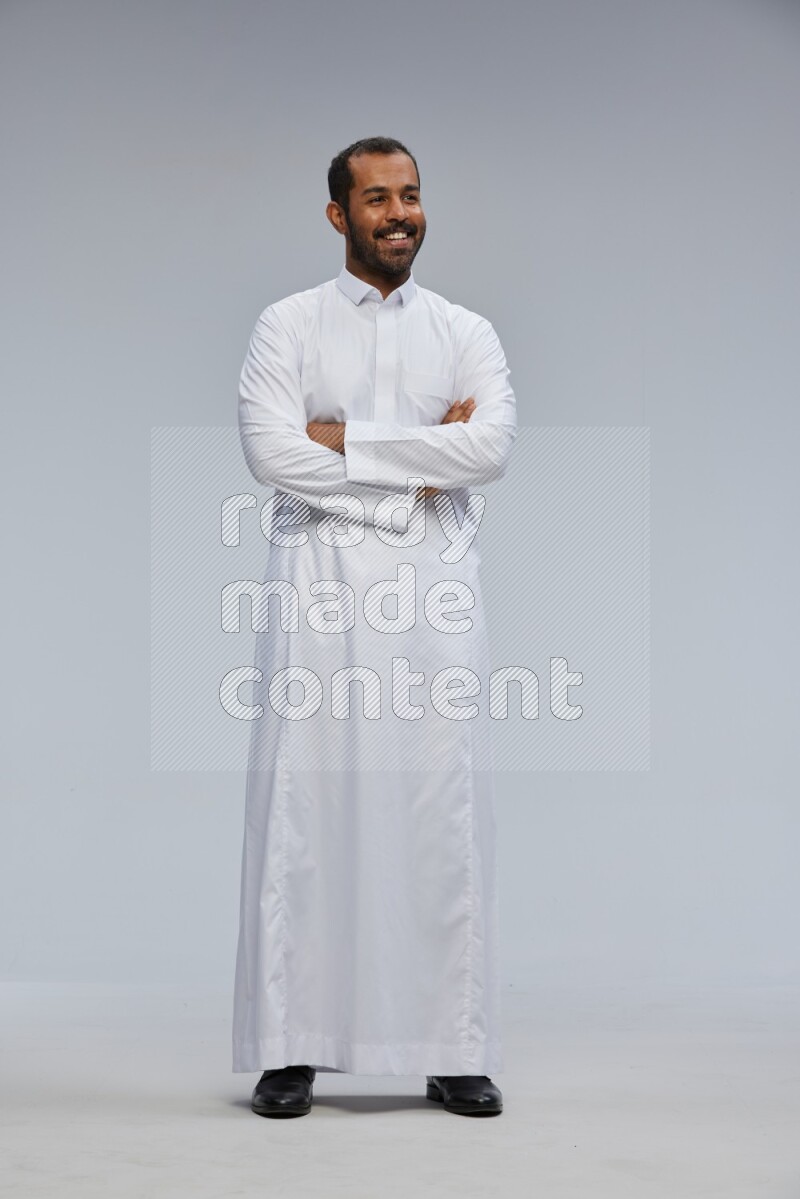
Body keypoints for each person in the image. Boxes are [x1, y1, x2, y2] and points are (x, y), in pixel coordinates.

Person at [233, 136, 517, 1118]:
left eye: (410, 195)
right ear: (337, 215)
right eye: (375, 198)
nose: (398, 213)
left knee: (438, 809)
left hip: (436, 600)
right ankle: (289, 1046)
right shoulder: (287, 326)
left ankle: (451, 1046)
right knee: (307, 814)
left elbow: (487, 448)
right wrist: (413, 471)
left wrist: (344, 437)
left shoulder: (464, 330)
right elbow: (273, 455)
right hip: (316, 594)